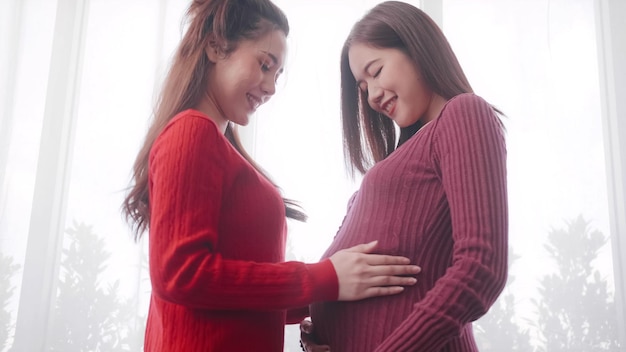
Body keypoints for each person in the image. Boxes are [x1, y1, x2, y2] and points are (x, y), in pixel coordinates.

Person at [120, 0, 421, 351]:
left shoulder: (216, 146)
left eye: (277, 75)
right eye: (265, 65)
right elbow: (182, 275)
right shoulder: (192, 132)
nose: (271, 87)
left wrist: (326, 299)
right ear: (216, 47)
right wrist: (326, 278)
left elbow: (232, 294)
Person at [300, 1, 509, 351]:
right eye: (363, 87)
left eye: (376, 71)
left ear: (415, 47)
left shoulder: (463, 113)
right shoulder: (393, 163)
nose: (372, 96)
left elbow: (480, 268)